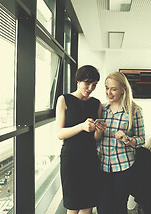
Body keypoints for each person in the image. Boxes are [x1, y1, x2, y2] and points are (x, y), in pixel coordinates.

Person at [55, 65, 105, 214]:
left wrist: (99, 131)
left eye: (94, 84)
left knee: (87, 205)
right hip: (71, 158)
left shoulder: (96, 104)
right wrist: (81, 127)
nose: (90, 88)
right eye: (87, 83)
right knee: (73, 205)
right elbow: (59, 133)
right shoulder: (64, 99)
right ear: (78, 81)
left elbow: (96, 139)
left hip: (90, 157)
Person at [97, 71, 145, 214]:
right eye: (106, 88)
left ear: (123, 89)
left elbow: (141, 139)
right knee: (103, 208)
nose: (109, 92)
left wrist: (128, 139)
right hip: (102, 165)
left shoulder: (134, 111)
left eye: (113, 89)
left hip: (123, 166)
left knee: (119, 207)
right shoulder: (102, 109)